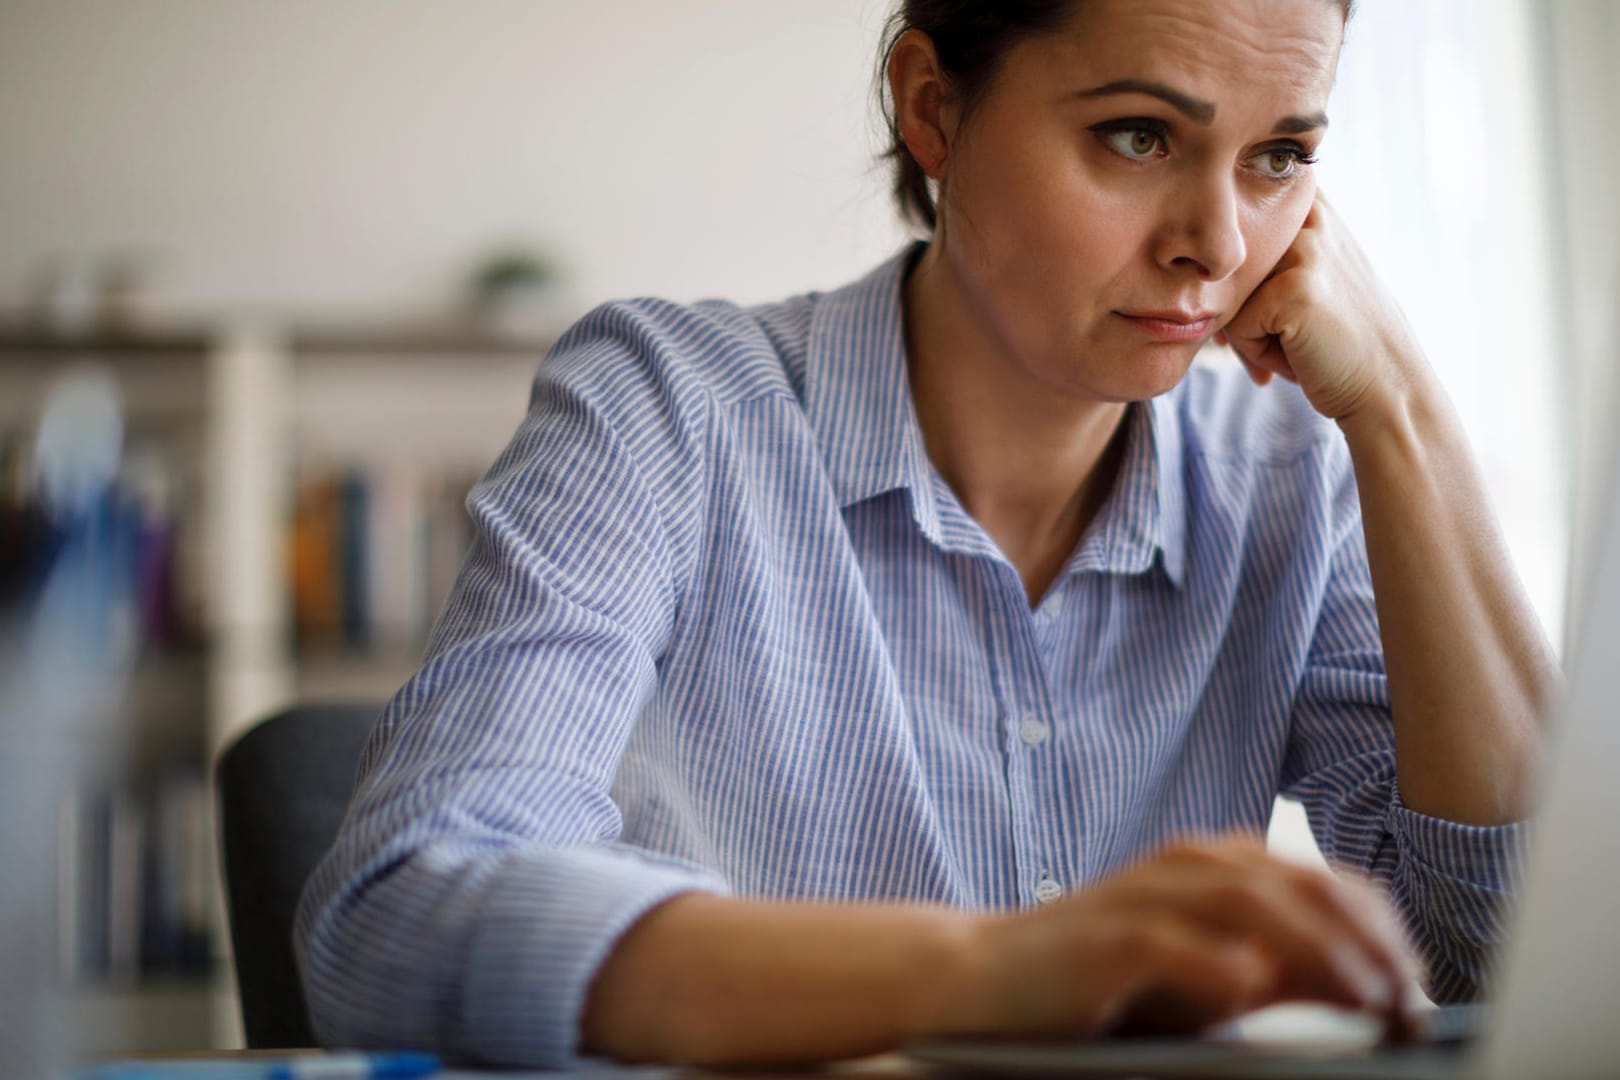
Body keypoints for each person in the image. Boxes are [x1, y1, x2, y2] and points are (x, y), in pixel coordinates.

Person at [295, 0, 1558, 1068]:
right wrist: (999, 969)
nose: (1218, 246)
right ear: (933, 109)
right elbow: (397, 910)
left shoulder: (1289, 472)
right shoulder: (668, 409)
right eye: (1138, 135)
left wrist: (1401, 412)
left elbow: (1508, 952)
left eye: (1280, 156)